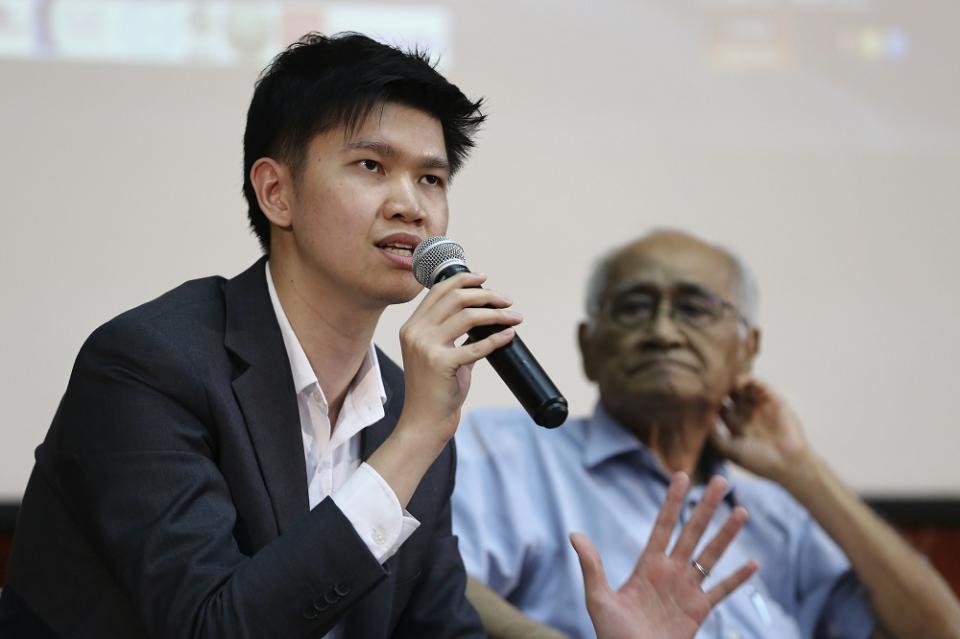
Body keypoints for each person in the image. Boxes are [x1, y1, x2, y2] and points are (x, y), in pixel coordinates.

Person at [0, 35, 758, 639]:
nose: (412, 204)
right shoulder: (148, 364)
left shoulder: (407, 405)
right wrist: (414, 439)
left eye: (431, 180)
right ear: (277, 191)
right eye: (372, 166)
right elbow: (213, 624)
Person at [453, 229, 960, 639]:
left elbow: (939, 629)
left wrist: (804, 471)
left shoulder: (779, 517)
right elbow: (431, 580)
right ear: (589, 346)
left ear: (747, 348)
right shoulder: (506, 451)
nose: (664, 332)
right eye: (634, 307)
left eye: (695, 308)